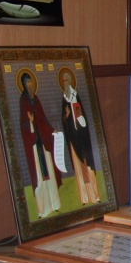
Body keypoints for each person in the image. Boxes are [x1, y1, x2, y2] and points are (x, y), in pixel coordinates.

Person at [18, 70, 62, 218]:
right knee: (39, 176)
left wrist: (52, 129)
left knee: (49, 172)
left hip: (43, 141)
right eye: (27, 82)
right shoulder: (23, 101)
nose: (30, 84)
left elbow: (43, 118)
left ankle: (54, 204)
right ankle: (43, 210)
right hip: (34, 144)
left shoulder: (35, 98)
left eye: (30, 81)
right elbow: (23, 123)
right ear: (23, 84)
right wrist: (30, 122)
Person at [58, 67, 100, 205]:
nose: (65, 83)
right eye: (63, 81)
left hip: (82, 137)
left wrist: (80, 118)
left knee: (88, 165)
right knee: (79, 168)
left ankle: (94, 196)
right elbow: (64, 120)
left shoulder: (76, 97)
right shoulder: (64, 100)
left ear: (71, 81)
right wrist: (66, 116)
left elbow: (83, 119)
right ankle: (84, 198)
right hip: (73, 139)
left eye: (67, 80)